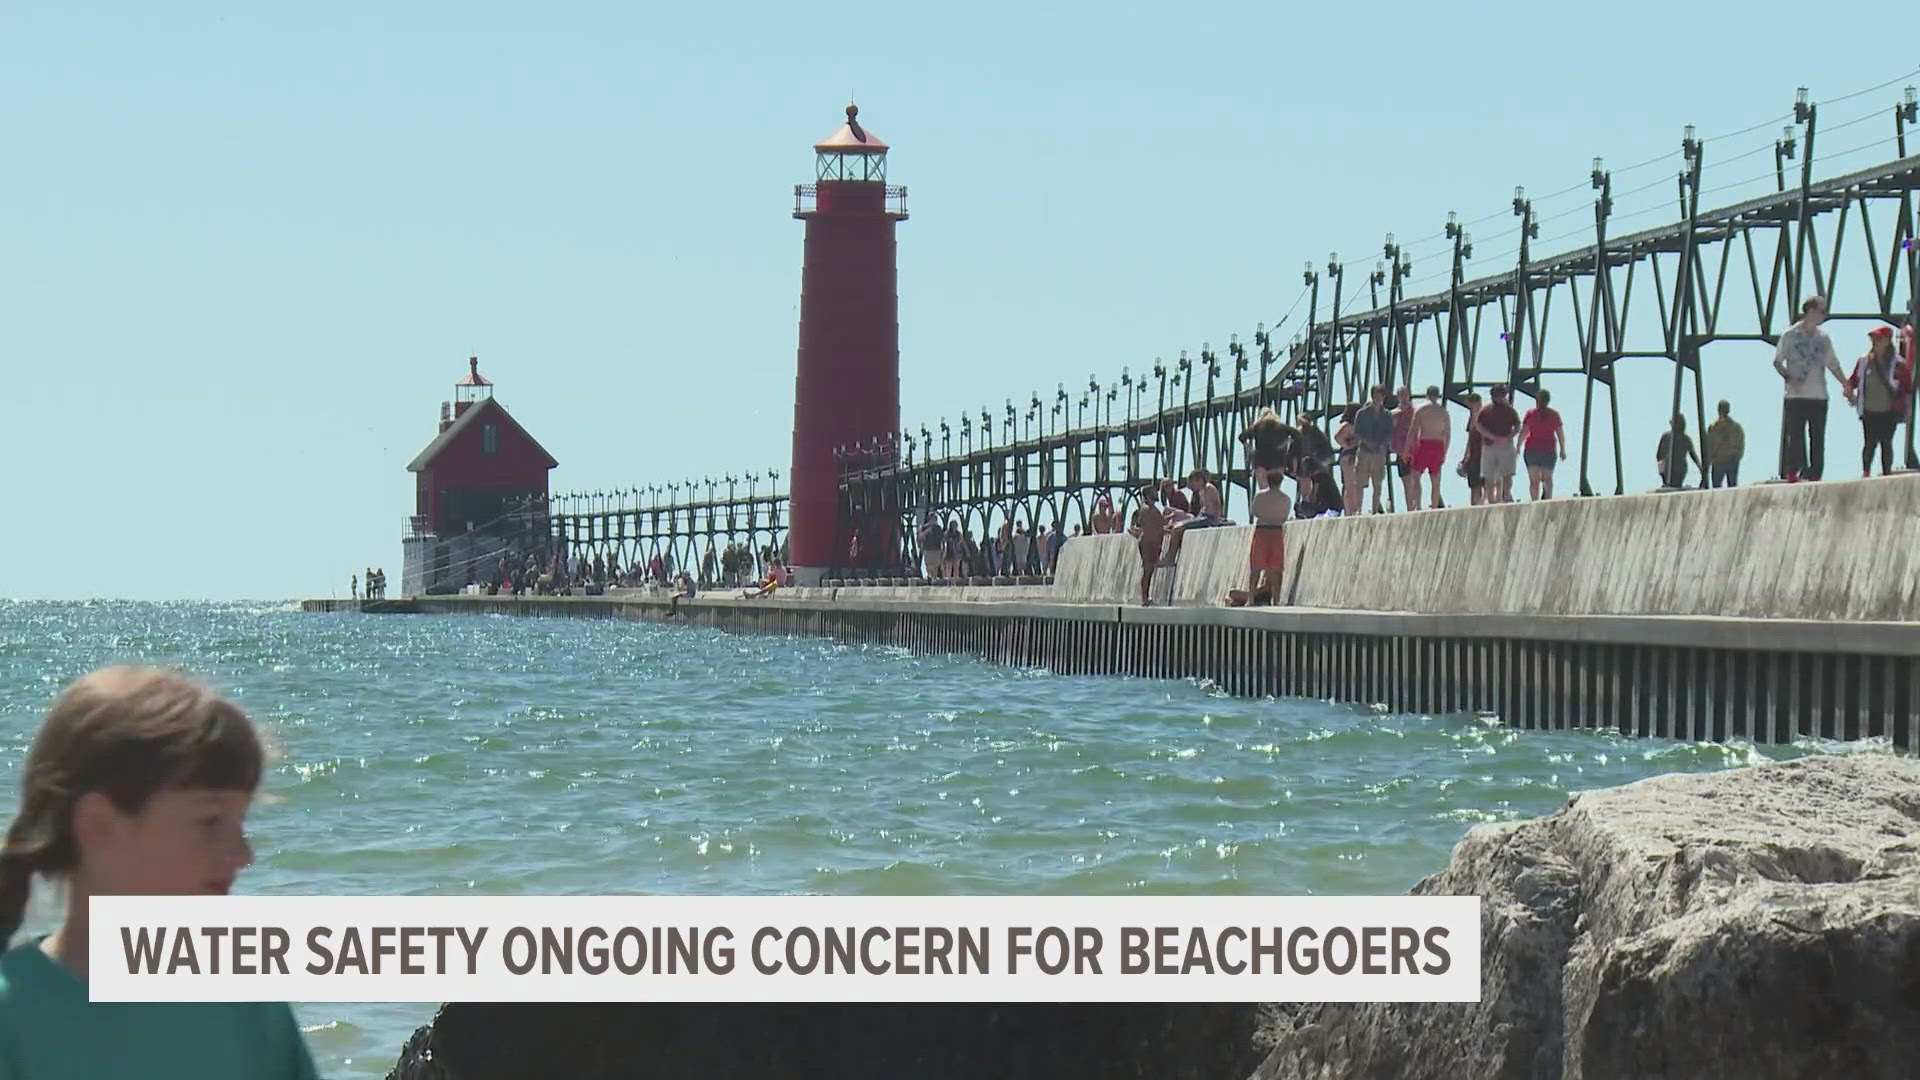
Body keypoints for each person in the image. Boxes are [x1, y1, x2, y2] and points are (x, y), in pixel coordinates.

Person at [0, 667, 320, 1079]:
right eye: (209, 822)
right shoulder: (14, 1019)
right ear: (100, 826)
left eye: (240, 822)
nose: (243, 854)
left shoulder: (250, 1010)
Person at [1773, 295, 1850, 481]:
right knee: (1796, 437)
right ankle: (1793, 471)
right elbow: (1777, 361)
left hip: (1818, 395)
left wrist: (1845, 384)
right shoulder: (1790, 335)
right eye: (1821, 311)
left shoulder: (1823, 338)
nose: (1823, 315)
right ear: (1810, 311)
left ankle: (1815, 474)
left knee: (1817, 438)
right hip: (1795, 395)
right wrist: (1789, 377)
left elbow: (1833, 364)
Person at [1845, 325, 1912, 477]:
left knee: (1886, 442)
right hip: (1869, 410)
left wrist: (1906, 408)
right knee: (1869, 443)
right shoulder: (1863, 361)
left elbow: (1907, 388)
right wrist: (1848, 390)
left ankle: (1886, 472)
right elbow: (1854, 380)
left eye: (1879, 338)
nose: (1875, 342)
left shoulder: (1898, 364)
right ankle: (1866, 471)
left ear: (1888, 340)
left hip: (1889, 410)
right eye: (1873, 339)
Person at [1226, 469, 1291, 607]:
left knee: (1256, 567)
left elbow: (1254, 511)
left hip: (1262, 531)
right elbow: (1284, 516)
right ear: (1280, 482)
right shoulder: (1285, 498)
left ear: (1268, 480)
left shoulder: (1260, 496)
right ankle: (1276, 600)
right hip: (1276, 531)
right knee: (1277, 569)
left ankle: (1251, 598)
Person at [1162, 469, 1225, 566]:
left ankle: (1170, 558)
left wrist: (1217, 520)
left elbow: (1217, 505)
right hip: (1202, 517)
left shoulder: (1209, 488)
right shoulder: (1201, 491)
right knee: (1175, 527)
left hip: (1208, 518)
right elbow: (1203, 508)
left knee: (1178, 528)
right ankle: (1168, 556)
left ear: (1198, 480)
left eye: (1193, 483)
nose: (1192, 487)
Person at [1407, 386, 1451, 510]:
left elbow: (1413, 431)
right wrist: (1445, 451)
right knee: (1436, 480)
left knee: (1416, 477)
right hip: (1438, 445)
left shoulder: (1420, 410)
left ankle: (1418, 505)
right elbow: (1447, 434)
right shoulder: (1443, 411)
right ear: (1438, 396)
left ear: (1427, 395)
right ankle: (1435, 506)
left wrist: (1408, 449)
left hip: (1424, 444)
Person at [1352, 385, 1395, 514]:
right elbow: (1357, 431)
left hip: (1379, 452)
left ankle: (1375, 510)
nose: (1378, 398)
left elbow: (1389, 432)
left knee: (1378, 482)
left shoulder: (1387, 414)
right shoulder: (1362, 413)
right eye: (1376, 395)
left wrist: (1382, 445)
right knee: (1360, 482)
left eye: (1380, 395)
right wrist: (1368, 442)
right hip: (1365, 450)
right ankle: (1358, 510)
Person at [1519, 388, 1567, 500]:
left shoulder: (1531, 414)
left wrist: (1518, 446)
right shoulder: (1554, 415)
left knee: (1534, 480)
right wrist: (1562, 449)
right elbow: (1560, 433)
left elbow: (1524, 431)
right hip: (1547, 450)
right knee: (1547, 479)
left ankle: (1535, 501)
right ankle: (1547, 499)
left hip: (1533, 450)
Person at [1477, 384, 1521, 504]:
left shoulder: (1510, 410)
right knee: (1489, 475)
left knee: (1507, 474)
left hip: (1506, 445)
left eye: (1501, 395)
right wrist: (1491, 436)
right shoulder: (1486, 410)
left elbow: (1517, 426)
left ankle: (1506, 495)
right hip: (1490, 445)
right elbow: (1479, 425)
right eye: (1496, 395)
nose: (1499, 398)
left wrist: (1509, 437)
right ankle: (1491, 501)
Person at [1127, 484, 1166, 606]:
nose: (1157, 493)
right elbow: (1151, 526)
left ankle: (1145, 597)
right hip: (1148, 543)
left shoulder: (1149, 509)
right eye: (1154, 492)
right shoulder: (1146, 509)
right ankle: (1144, 598)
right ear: (1149, 494)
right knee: (1148, 570)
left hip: (1152, 543)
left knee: (1149, 571)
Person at [1703, 400, 1745, 488]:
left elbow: (1741, 443)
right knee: (1717, 487)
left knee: (1732, 486)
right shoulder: (1714, 427)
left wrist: (1737, 456)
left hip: (1730, 460)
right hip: (1719, 461)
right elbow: (1709, 446)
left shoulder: (1735, 427)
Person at [1390, 385, 1418, 511]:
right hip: (1401, 451)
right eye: (1401, 394)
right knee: (1407, 481)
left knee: (1416, 479)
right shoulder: (1394, 414)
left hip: (1415, 450)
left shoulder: (1416, 412)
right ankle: (1410, 508)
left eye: (1405, 394)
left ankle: (1417, 505)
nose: (1404, 397)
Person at [1656, 414, 1702, 489]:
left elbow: (1692, 454)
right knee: (1671, 486)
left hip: (1680, 468)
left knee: (1676, 486)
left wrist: (1700, 467)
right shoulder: (1667, 437)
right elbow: (1659, 456)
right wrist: (1662, 474)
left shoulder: (1685, 438)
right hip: (1670, 467)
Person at [1332, 404, 1361, 515]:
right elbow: (1337, 436)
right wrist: (1348, 445)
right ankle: (1350, 511)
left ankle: (1354, 509)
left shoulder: (1356, 425)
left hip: (1353, 454)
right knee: (1350, 485)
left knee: (1354, 484)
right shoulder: (1347, 425)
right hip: (1348, 455)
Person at [1460, 392, 1487, 506]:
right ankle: (1476, 505)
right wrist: (1465, 456)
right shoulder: (1472, 418)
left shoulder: (1485, 417)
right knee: (1475, 485)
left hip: (1483, 454)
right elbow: (1469, 439)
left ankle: (1482, 504)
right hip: (1474, 455)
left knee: (1485, 484)